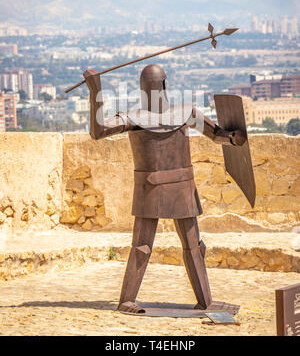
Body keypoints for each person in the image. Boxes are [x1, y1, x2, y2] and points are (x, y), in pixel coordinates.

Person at [84, 64, 245, 314]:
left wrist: (234, 138)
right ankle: (127, 300)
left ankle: (205, 301)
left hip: (181, 185)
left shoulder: (185, 112)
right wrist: (95, 92)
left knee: (190, 245)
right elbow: (99, 132)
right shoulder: (135, 117)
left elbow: (217, 135)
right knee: (145, 245)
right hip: (153, 187)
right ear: (165, 85)